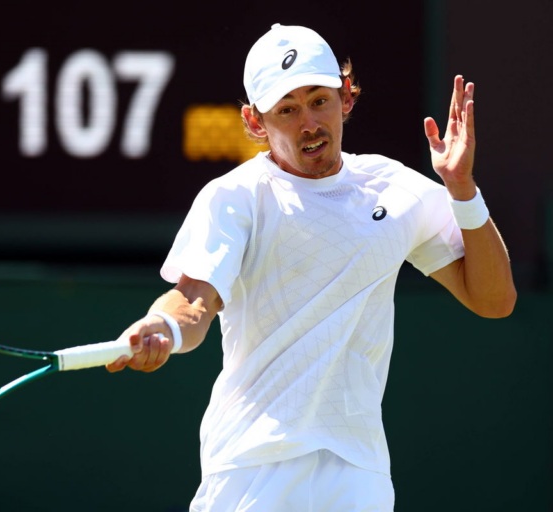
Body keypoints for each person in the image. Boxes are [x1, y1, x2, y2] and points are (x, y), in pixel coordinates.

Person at [106, 23, 516, 511]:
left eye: (319, 100)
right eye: (287, 109)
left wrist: (463, 190)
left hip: (357, 473)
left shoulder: (397, 190)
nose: (308, 122)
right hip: (252, 467)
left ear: (345, 98)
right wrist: (162, 326)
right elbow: (195, 300)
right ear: (256, 122)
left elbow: (494, 300)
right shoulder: (235, 197)